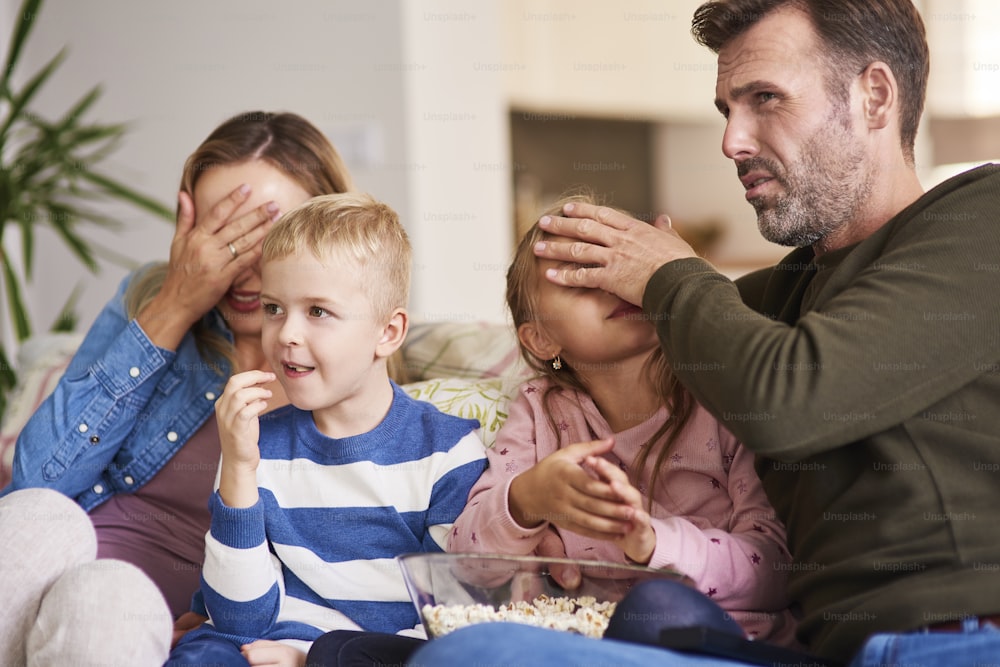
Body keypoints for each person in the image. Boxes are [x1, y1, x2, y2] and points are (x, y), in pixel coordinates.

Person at [411, 1, 1000, 666]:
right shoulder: (774, 299)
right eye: (727, 109)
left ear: (874, 95)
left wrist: (670, 273)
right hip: (825, 650)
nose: (732, 141)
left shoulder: (981, 220)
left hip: (964, 638)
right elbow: (603, 351)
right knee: (453, 651)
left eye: (766, 98)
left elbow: (791, 396)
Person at [0, 110, 357, 642]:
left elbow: (352, 559)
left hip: (128, 620)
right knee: (41, 514)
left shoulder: (347, 353)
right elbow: (39, 483)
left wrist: (218, 625)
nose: (239, 264)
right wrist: (176, 302)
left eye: (266, 232)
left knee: (104, 598)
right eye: (218, 234)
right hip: (38, 588)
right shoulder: (152, 294)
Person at [447, 193, 796, 645]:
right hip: (585, 643)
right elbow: (467, 563)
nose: (614, 285)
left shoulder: (721, 396)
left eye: (621, 266)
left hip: (721, 643)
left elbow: (778, 570)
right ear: (541, 339)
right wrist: (529, 500)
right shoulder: (540, 410)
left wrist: (654, 543)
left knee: (654, 608)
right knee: (352, 650)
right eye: (580, 278)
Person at [166, 193, 487, 667]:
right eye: (274, 308)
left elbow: (445, 628)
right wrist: (237, 467)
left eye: (317, 311)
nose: (286, 333)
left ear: (388, 332)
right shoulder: (256, 446)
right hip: (252, 644)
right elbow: (238, 621)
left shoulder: (447, 451)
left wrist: (309, 658)